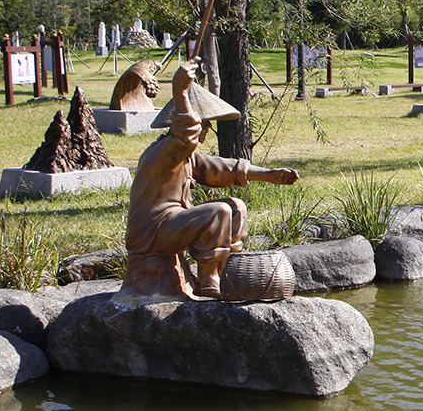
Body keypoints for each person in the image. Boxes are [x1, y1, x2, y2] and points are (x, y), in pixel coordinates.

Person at [120, 64, 299, 300]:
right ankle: (208, 281)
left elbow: (223, 169)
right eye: (205, 124)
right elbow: (185, 133)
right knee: (218, 212)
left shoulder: (186, 157)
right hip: (152, 234)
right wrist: (180, 92)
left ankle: (225, 272)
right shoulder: (165, 153)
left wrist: (267, 174)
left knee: (235, 207)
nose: (206, 130)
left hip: (170, 227)